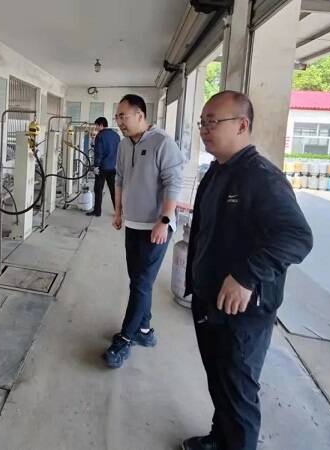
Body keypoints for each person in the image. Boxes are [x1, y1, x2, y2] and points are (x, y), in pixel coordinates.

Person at [182, 91, 313, 450]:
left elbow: (297, 236)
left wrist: (246, 275)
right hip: (211, 300)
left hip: (242, 313)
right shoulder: (217, 171)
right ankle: (219, 438)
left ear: (242, 125)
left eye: (212, 122)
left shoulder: (261, 178)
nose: (204, 129)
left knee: (238, 391)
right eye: (202, 122)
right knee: (220, 382)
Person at [104, 94, 184, 368]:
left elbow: (174, 182)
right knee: (138, 280)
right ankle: (145, 330)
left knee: (141, 283)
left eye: (123, 116)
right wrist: (118, 212)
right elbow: (119, 178)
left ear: (140, 115)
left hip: (156, 227)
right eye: (117, 116)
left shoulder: (163, 142)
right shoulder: (124, 144)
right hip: (133, 223)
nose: (119, 121)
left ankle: (125, 339)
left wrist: (165, 219)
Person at [87, 116, 120, 217]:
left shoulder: (100, 136)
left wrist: (96, 166)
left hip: (102, 168)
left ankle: (97, 212)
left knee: (98, 190)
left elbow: (99, 152)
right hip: (113, 167)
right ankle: (118, 212)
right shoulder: (116, 135)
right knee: (114, 191)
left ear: (101, 125)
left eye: (96, 126)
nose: (96, 128)